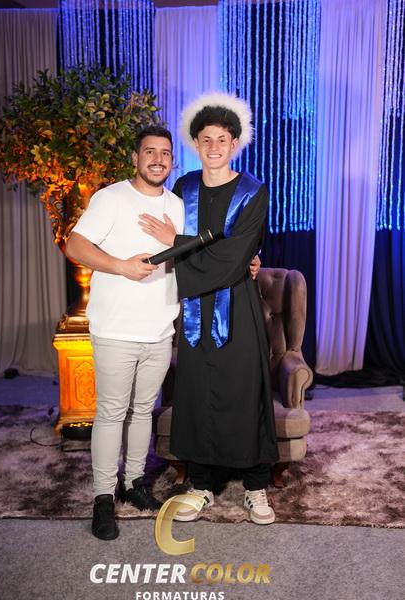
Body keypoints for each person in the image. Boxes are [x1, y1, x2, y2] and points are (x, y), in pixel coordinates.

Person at [139, 92, 279, 525]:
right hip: (196, 310)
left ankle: (255, 486)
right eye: (206, 139)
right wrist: (174, 247)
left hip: (238, 307)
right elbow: (166, 244)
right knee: (196, 394)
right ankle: (200, 485)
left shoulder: (253, 192)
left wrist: (176, 243)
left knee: (245, 392)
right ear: (195, 144)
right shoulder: (184, 189)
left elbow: (236, 257)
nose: (214, 147)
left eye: (222, 139)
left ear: (235, 143)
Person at [65, 125, 184, 540]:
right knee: (112, 412)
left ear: (172, 161)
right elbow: (74, 246)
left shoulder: (177, 206)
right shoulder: (111, 198)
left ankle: (133, 484)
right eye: (149, 151)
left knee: (142, 411)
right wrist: (121, 266)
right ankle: (103, 496)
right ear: (135, 158)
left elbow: (187, 259)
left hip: (159, 329)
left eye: (165, 153)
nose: (157, 159)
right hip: (115, 328)